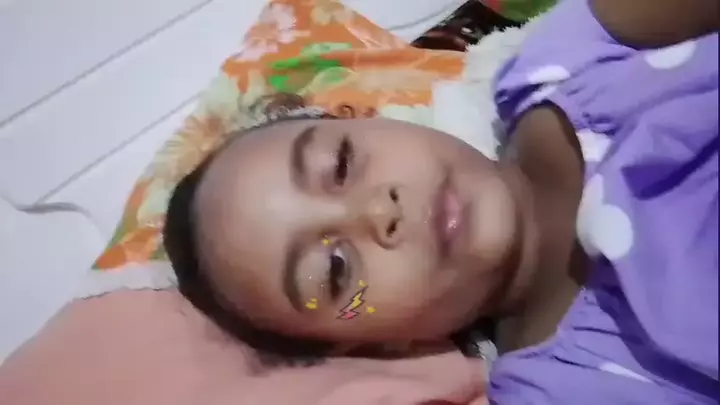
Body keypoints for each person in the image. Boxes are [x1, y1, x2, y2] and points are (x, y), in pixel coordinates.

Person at [163, 0, 718, 402]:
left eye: (342, 164)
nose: (379, 212)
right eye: (335, 272)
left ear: (374, 119)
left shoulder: (567, 61)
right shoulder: (558, 391)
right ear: (376, 346)